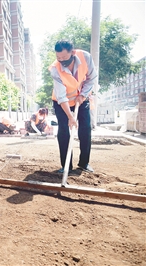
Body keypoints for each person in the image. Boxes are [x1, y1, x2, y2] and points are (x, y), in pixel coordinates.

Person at [49, 40, 97, 173]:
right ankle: (66, 166)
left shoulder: (85, 57)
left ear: (72, 53)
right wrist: (70, 117)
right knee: (64, 131)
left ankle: (84, 163)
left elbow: (91, 78)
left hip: (81, 98)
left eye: (64, 57)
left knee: (85, 129)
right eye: (58, 58)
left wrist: (82, 96)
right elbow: (61, 96)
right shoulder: (55, 69)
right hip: (62, 103)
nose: (61, 60)